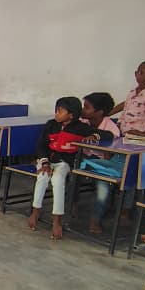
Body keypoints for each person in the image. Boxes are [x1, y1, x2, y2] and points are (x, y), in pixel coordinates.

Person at [27, 97, 114, 240]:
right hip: (46, 160)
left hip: (65, 162)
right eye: (56, 110)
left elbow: (108, 135)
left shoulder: (80, 127)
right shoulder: (51, 125)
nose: (56, 113)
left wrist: (94, 136)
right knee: (42, 177)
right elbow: (41, 145)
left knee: (58, 179)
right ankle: (35, 212)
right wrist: (45, 163)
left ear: (71, 115)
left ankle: (57, 219)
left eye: (60, 111)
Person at [79, 92, 122, 235]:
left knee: (103, 188)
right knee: (70, 176)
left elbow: (110, 155)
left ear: (99, 112)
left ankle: (95, 219)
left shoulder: (112, 128)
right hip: (80, 159)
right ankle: (72, 207)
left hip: (102, 164)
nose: (82, 110)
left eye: (87, 107)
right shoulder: (81, 121)